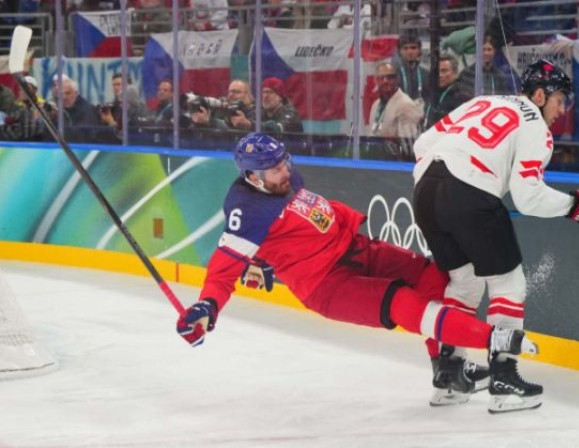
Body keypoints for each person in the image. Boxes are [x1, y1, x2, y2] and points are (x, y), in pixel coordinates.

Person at [176, 132, 540, 413]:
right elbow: (223, 271)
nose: (286, 172)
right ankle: (497, 340)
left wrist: (264, 261)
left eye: (285, 162)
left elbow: (285, 232)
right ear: (252, 177)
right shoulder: (246, 212)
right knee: (402, 302)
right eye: (275, 170)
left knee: (432, 277)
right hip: (327, 284)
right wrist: (207, 306)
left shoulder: (282, 177)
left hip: (355, 248)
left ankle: (448, 372)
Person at [412, 59, 579, 412]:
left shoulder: (482, 102)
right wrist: (577, 206)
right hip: (470, 194)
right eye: (559, 100)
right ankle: (504, 380)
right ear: (540, 95)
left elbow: (422, 145)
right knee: (508, 285)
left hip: (425, 191)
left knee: (464, 283)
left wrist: (460, 180)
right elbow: (528, 197)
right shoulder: (535, 126)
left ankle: (449, 375)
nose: (561, 110)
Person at [367, 62, 422, 161]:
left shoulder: (406, 105)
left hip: (395, 163)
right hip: (374, 159)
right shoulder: (376, 104)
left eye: (390, 77)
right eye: (381, 78)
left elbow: (407, 147)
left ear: (397, 79)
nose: (385, 81)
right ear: (376, 81)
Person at [421, 54, 471, 131]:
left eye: (444, 71)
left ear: (455, 73)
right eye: (437, 71)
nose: (440, 75)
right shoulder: (430, 92)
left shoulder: (462, 96)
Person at [396, 30, 430, 106]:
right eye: (405, 48)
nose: (410, 52)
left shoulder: (426, 74)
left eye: (413, 48)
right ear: (399, 51)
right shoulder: (394, 74)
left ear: (419, 50)